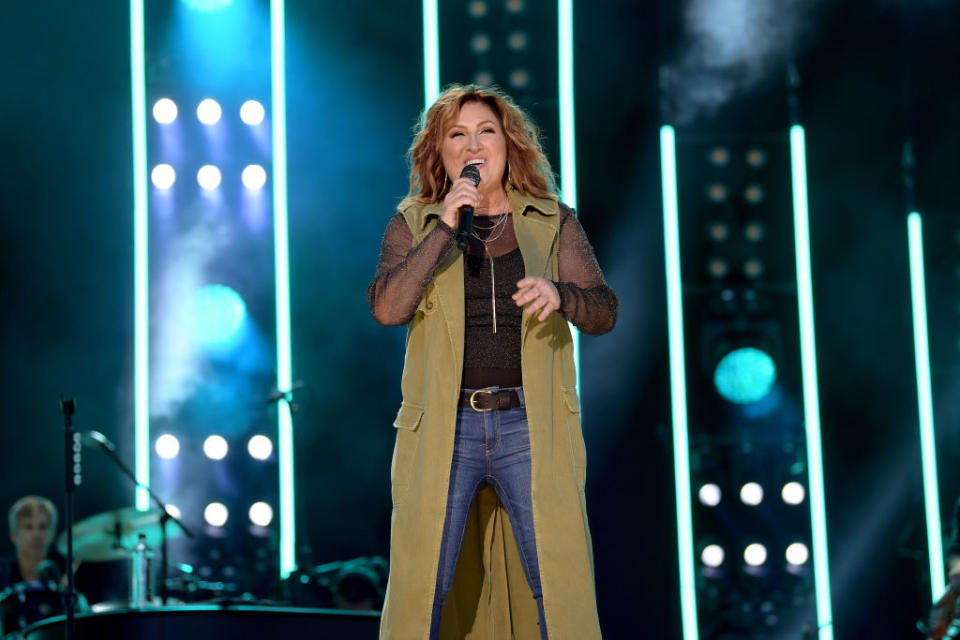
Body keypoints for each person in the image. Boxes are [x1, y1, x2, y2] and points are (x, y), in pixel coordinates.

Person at [368, 84, 617, 639]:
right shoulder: (414, 221)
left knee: (559, 585)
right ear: (440, 149)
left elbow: (604, 311)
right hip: (444, 428)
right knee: (419, 590)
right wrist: (444, 226)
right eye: (458, 134)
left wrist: (563, 296)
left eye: (486, 131)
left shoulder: (551, 221)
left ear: (509, 143)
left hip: (530, 425)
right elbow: (388, 307)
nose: (473, 144)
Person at [0, 496, 63, 589]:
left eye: (42, 527)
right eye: (28, 527)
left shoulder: (63, 576)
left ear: (53, 534)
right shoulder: (2, 572)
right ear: (13, 535)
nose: (36, 534)